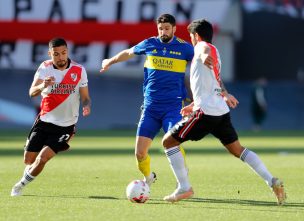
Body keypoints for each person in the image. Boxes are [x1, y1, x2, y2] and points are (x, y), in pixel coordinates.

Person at [161, 19, 286, 205]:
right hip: (219, 110)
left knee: (169, 142)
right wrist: (217, 96)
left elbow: (203, 50)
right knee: (237, 149)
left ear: (196, 36)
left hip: (206, 112)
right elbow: (214, 82)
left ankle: (184, 187)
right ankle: (271, 180)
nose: (191, 40)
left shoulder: (202, 47)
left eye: (191, 37)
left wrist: (202, 56)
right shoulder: (216, 51)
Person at [100, 14, 213, 186]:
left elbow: (201, 61)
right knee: (139, 153)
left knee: (173, 143)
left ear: (174, 28)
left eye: (167, 28)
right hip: (150, 107)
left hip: (173, 106)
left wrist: (206, 88)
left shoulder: (185, 48)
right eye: (160, 28)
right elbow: (129, 52)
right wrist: (110, 61)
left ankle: (182, 177)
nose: (163, 31)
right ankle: (148, 177)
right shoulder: (150, 43)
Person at [11, 37, 91, 196]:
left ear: (67, 51)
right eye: (56, 54)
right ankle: (31, 165)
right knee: (28, 160)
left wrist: (87, 105)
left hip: (66, 126)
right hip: (44, 122)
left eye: (63, 53)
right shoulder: (44, 68)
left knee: (43, 158)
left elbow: (85, 96)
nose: (61, 57)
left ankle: (19, 186)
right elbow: (31, 92)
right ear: (50, 54)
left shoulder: (79, 70)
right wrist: (43, 85)